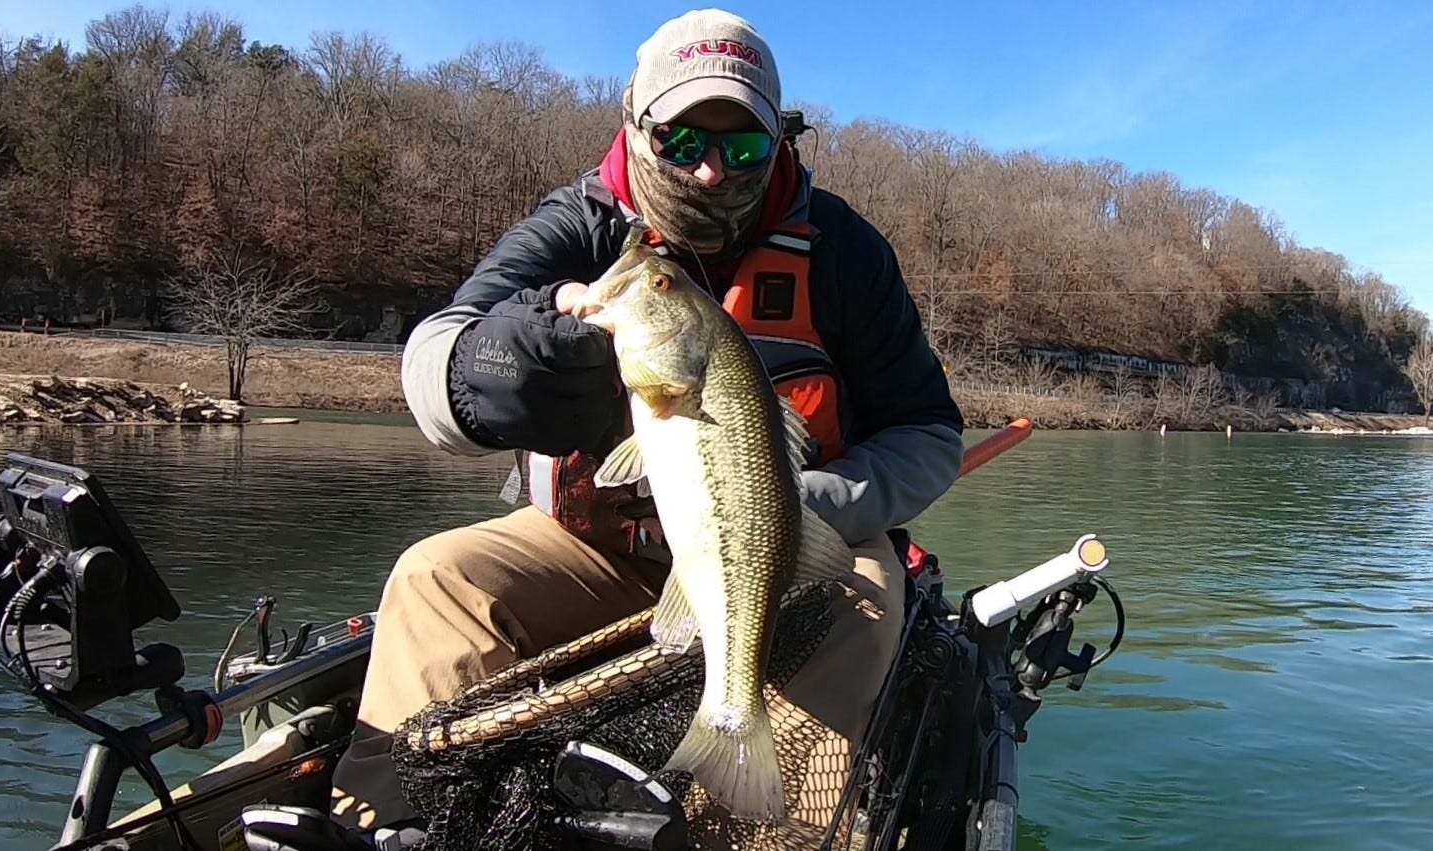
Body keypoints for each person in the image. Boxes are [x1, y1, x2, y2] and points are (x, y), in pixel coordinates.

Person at [327, 7, 965, 844]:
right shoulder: (579, 226)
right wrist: (495, 369)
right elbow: (433, 361)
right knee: (436, 578)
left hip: (793, 558)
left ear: (782, 141)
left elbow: (930, 436)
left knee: (870, 607)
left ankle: (755, 827)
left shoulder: (844, 251)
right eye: (682, 140)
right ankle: (392, 822)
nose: (710, 172)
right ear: (635, 123)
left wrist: (787, 505)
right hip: (600, 548)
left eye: (742, 148)